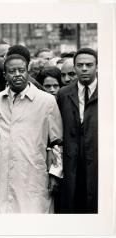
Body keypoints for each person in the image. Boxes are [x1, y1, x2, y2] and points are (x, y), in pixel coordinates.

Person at [0, 54, 63, 213]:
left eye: (21, 70)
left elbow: (57, 141)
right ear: (5, 75)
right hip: (4, 174)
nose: (17, 74)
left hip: (34, 174)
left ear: (27, 72)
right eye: (12, 71)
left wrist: (55, 173)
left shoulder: (46, 101)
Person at [57, 48, 98, 213]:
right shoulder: (63, 94)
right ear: (74, 67)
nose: (84, 69)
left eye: (89, 64)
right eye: (80, 65)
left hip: (98, 162)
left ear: (97, 66)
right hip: (72, 163)